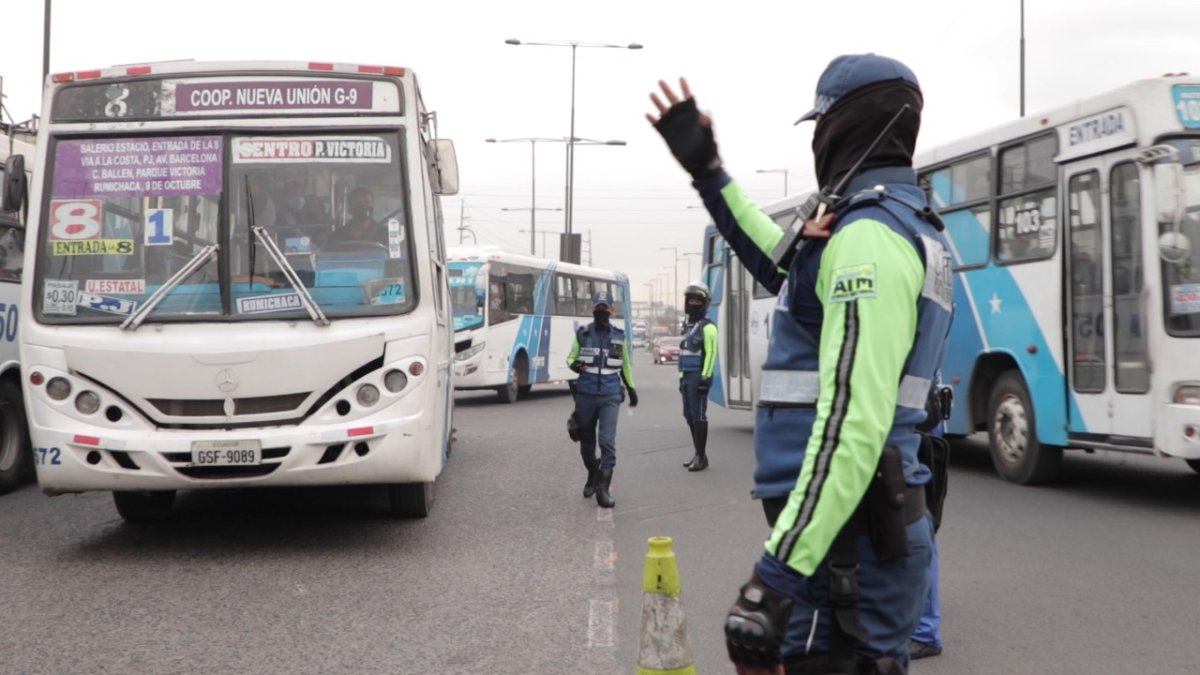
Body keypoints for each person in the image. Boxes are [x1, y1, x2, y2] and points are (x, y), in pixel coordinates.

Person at [647, 52, 954, 674]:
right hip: (853, 535)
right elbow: (778, 264)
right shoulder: (889, 222)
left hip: (847, 547)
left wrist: (776, 575)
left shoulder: (869, 238)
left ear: (844, 126)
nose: (817, 139)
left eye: (820, 124)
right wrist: (708, 172)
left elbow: (853, 425)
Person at [567, 290, 638, 508]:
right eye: (597, 307)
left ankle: (603, 490)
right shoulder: (582, 333)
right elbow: (571, 357)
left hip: (610, 395)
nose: (601, 311)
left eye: (604, 307)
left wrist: (631, 389)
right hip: (586, 394)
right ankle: (593, 474)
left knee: (607, 441)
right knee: (586, 444)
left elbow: (625, 364)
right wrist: (576, 364)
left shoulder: (618, 336)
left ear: (611, 310)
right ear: (593, 309)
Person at [678, 281, 718, 471]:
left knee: (699, 415)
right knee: (689, 415)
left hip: (699, 376)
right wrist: (680, 378)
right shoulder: (687, 327)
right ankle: (698, 453)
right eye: (690, 300)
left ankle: (700, 457)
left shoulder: (708, 327)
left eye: (697, 300)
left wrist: (705, 377)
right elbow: (683, 354)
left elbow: (711, 353)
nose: (693, 303)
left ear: (704, 303)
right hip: (686, 376)